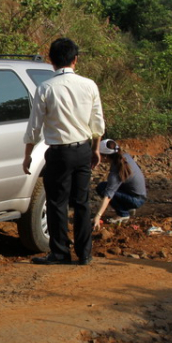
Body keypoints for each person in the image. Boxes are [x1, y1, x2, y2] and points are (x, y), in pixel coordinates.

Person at [23, 38, 105, 265]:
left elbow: (34, 128)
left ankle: (60, 252)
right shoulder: (89, 85)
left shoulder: (46, 88)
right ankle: (85, 253)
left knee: (57, 203)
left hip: (59, 153)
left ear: (51, 61)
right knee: (81, 202)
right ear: (75, 59)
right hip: (83, 150)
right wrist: (95, 149)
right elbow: (97, 123)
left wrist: (28, 155)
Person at [92, 139, 147, 230]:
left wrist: (98, 216)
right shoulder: (124, 157)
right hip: (139, 195)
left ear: (105, 157)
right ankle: (127, 207)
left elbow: (108, 196)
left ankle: (123, 214)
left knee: (102, 188)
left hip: (136, 199)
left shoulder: (116, 171)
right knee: (108, 186)